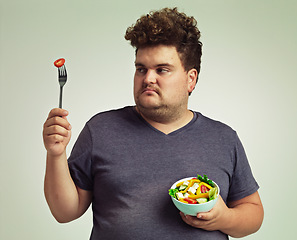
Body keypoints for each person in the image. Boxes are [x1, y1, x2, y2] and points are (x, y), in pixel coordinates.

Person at [43, 7, 263, 240]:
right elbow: (64, 212)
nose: (148, 78)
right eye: (141, 69)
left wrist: (224, 218)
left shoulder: (223, 138)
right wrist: (55, 154)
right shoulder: (100, 130)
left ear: (191, 79)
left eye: (162, 70)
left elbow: (253, 213)